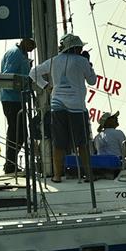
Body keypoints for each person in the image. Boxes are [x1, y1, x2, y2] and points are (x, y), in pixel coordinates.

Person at [30, 33, 96, 183]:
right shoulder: (82, 60)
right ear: (75, 47)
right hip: (77, 107)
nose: (81, 49)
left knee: (58, 143)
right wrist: (89, 64)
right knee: (82, 143)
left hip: (57, 105)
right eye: (80, 47)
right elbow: (92, 81)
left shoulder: (53, 61)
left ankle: (57, 176)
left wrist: (46, 86)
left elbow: (33, 73)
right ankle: (88, 175)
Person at [0, 37, 36, 174]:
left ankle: (11, 163)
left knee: (20, 132)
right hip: (11, 99)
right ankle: (10, 165)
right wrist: (25, 82)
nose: (34, 48)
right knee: (17, 132)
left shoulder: (22, 55)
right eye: (32, 44)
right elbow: (8, 76)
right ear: (25, 41)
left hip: (18, 99)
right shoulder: (15, 54)